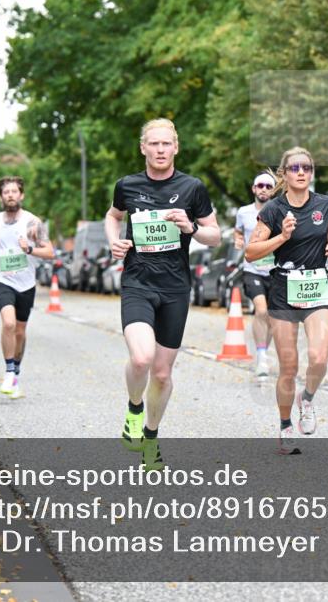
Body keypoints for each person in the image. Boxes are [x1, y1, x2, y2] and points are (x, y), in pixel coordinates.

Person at [105, 118, 219, 470]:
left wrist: (192, 227)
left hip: (174, 288)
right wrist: (114, 241)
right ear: (143, 148)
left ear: (176, 147)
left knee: (163, 374)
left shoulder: (192, 187)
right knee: (141, 359)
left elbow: (215, 235)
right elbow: (112, 216)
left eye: (165, 144)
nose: (159, 150)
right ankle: (134, 409)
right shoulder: (127, 185)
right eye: (153, 144)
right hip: (138, 282)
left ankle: (151, 439)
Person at [246, 147, 328, 454]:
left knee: (320, 357)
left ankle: (307, 399)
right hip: (284, 291)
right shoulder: (273, 210)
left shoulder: (325, 204)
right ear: (284, 174)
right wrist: (282, 237)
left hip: (316, 288)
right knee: (289, 366)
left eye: (307, 167)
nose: (302, 172)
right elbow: (251, 252)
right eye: (295, 168)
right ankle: (286, 425)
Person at [0, 176, 54, 400]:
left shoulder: (32, 222)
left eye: (14, 191)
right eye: (6, 192)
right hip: (2, 280)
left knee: (20, 331)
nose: (10, 195)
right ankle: (9, 370)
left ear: (21, 195)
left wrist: (29, 249)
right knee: (8, 323)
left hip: (26, 284)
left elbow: (50, 252)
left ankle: (16, 372)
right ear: (1, 197)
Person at [233, 172, 278, 378]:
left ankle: (263, 353)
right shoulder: (243, 212)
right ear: (254, 189)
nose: (264, 189)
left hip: (275, 270)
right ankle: (261, 358)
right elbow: (238, 231)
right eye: (260, 185)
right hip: (252, 269)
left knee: (272, 317)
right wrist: (238, 240)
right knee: (261, 311)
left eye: (269, 186)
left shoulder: (281, 211)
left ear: (273, 190)